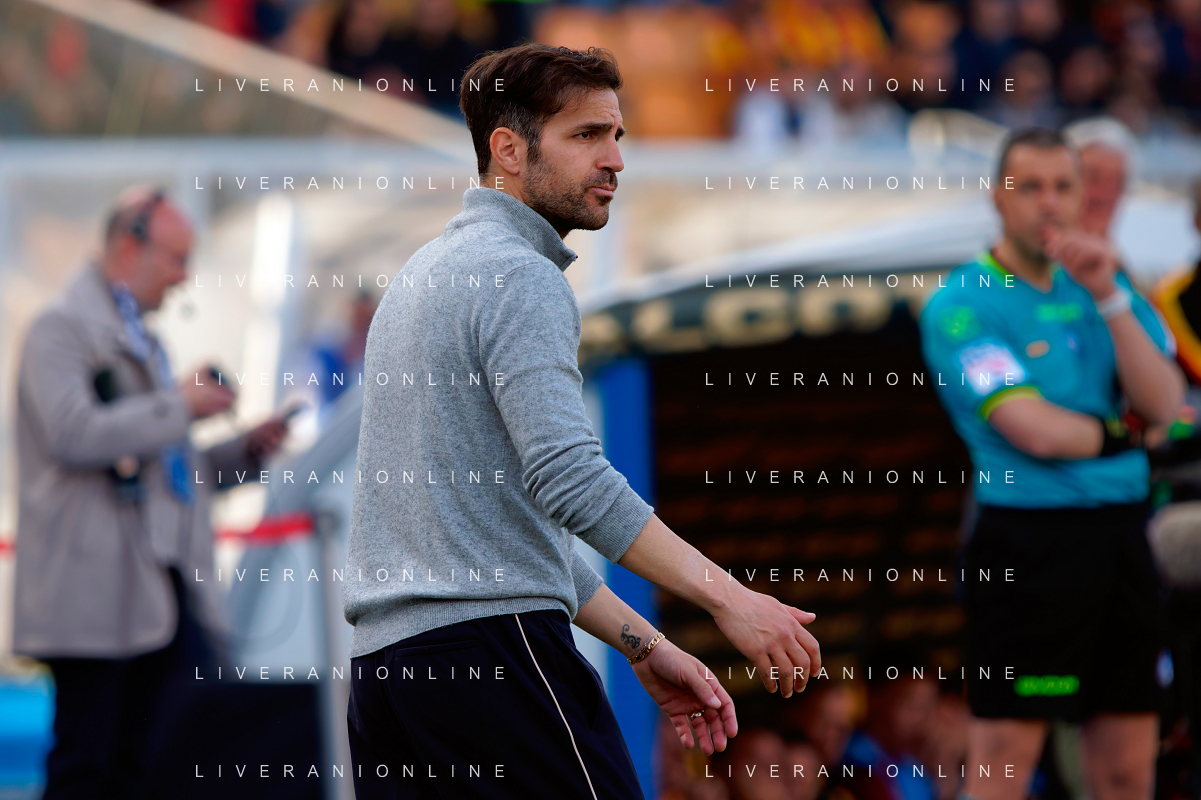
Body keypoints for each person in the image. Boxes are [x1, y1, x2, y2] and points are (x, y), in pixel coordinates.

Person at [343, 42, 822, 799]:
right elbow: (569, 480)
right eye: (586, 135)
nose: (615, 160)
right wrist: (732, 600)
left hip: (388, 680)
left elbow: (501, 533)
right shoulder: (519, 276)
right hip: (494, 660)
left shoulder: (420, 276)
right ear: (508, 150)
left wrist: (644, 645)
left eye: (616, 135)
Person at [919, 128, 1185, 800]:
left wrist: (1109, 297)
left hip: (1121, 542)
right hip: (1029, 550)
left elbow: (1165, 401)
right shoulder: (962, 304)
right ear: (997, 198)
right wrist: (1131, 435)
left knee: (1127, 769)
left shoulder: (1107, 283)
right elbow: (1033, 430)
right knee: (1006, 762)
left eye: (1063, 186)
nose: (1048, 202)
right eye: (1029, 187)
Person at [12, 186, 290, 799]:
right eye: (176, 258)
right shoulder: (58, 330)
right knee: (88, 768)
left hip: (153, 596)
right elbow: (74, 434)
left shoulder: (143, 340)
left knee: (154, 767)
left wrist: (242, 451)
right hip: (94, 598)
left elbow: (169, 471)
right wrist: (180, 406)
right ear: (128, 247)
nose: (184, 277)